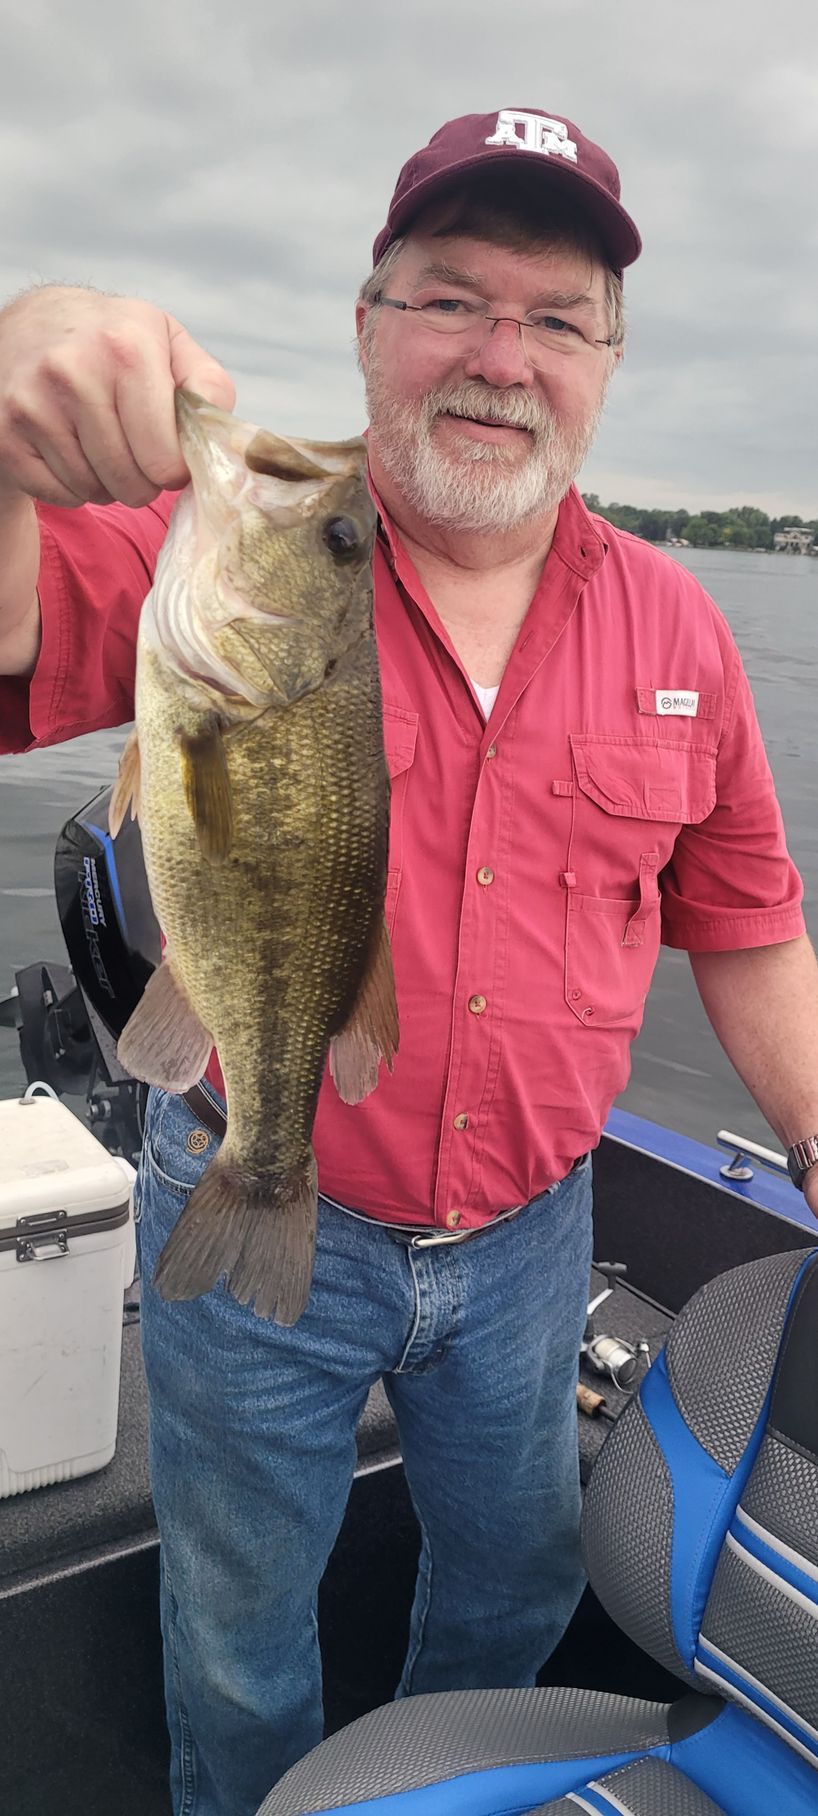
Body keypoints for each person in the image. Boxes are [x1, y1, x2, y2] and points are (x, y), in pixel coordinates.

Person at [0, 105, 817, 1816]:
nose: (498, 356)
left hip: (533, 1243)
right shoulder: (234, 546)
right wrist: (7, 425)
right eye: (448, 298)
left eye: (555, 317)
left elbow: (745, 931)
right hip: (255, 1164)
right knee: (236, 1623)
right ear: (368, 326)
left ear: (606, 361)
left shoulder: (679, 627)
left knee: (514, 1583)